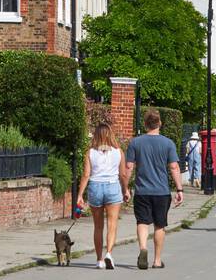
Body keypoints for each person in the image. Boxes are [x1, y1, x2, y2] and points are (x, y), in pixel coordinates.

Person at [123, 109, 184, 270]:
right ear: (160, 124)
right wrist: (179, 190)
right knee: (159, 225)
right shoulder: (168, 143)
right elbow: (174, 167)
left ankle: (143, 248)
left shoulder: (135, 143)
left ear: (145, 124)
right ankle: (157, 260)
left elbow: (129, 167)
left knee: (142, 222)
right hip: (161, 192)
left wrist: (125, 188)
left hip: (142, 191)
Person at [76, 123, 125, 269]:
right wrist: (126, 189)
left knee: (98, 226)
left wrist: (80, 195)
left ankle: (99, 259)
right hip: (112, 186)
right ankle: (109, 253)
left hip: (95, 186)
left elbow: (86, 175)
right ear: (110, 135)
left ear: (96, 135)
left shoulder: (90, 152)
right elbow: (122, 174)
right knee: (112, 224)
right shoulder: (118, 152)